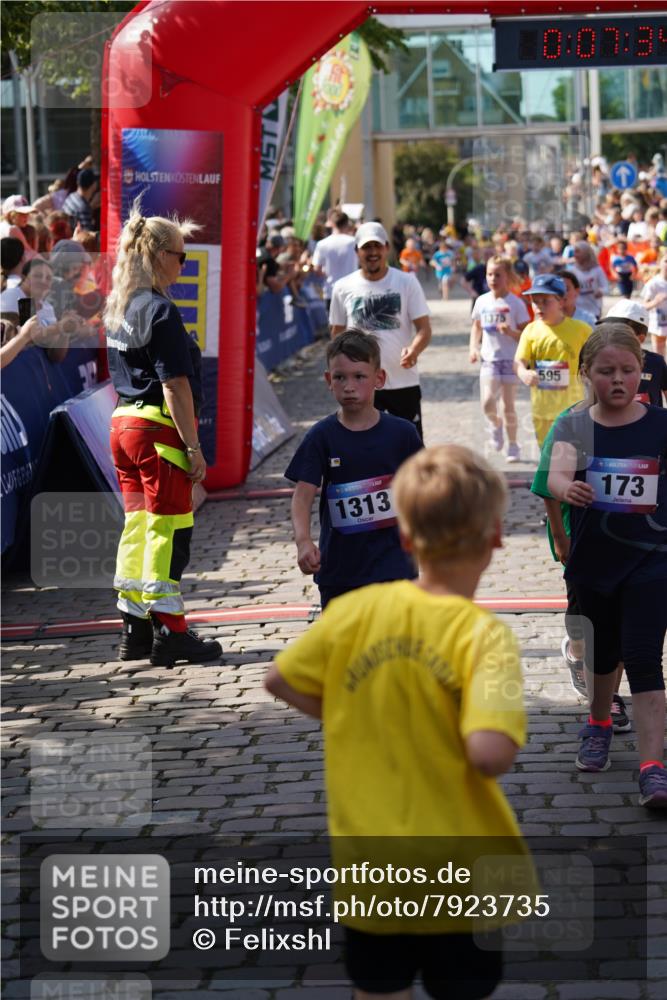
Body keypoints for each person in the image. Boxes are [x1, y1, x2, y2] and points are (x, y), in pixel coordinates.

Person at [265, 444, 533, 999]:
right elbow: (488, 753)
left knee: (379, 988)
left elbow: (280, 680)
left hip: (370, 866)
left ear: (406, 539)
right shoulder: (484, 636)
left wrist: (346, 711)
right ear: (496, 539)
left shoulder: (356, 611)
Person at [546, 325, 667, 807]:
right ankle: (598, 724)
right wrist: (565, 488)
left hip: (653, 560)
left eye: (628, 370)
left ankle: (653, 766)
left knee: (642, 655)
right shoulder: (573, 424)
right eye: (606, 371)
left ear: (642, 372)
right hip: (594, 561)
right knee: (601, 654)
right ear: (585, 374)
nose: (618, 380)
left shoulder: (661, 424)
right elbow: (556, 472)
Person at [103, 202, 222, 667]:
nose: (183, 264)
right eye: (180, 256)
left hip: (123, 425)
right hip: (156, 430)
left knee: (137, 528)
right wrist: (193, 447)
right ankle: (171, 632)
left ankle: (133, 628)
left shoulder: (119, 306)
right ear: (157, 255)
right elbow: (175, 384)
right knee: (170, 530)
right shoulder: (160, 311)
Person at [285, 329, 422, 610]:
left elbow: (427, 490)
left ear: (379, 379)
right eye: (340, 377)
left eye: (359, 376)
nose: (349, 386)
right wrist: (303, 541)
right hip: (340, 571)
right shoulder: (321, 436)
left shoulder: (403, 434)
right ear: (328, 381)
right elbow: (302, 495)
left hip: (395, 568)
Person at [330, 222, 432, 441]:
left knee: (410, 449)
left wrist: (414, 350)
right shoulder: (342, 287)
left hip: (402, 381)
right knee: (362, 446)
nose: (373, 252)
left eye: (377, 246)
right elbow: (337, 335)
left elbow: (424, 329)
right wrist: (339, 373)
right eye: (367, 247)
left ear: (387, 248)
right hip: (359, 384)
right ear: (357, 251)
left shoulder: (406, 282)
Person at [515, 273, 591, 448]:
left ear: (561, 301)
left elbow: (597, 360)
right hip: (542, 412)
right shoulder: (530, 331)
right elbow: (518, 362)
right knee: (547, 458)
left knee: (574, 458)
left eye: (545, 301)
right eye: (535, 301)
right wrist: (523, 372)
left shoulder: (581, 330)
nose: (539, 306)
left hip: (573, 409)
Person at [469, 255, 529, 462]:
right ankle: (496, 425)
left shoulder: (516, 303)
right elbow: (476, 327)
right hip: (490, 360)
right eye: (489, 274)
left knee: (508, 406)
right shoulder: (482, 301)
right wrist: (473, 348)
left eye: (498, 275)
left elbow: (526, 334)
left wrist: (511, 332)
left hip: (511, 361)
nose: (493, 278)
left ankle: (513, 445)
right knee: (487, 401)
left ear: (508, 277)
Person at [606, 299, 667, 407]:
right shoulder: (602, 364)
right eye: (608, 330)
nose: (612, 336)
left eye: (620, 332)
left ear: (641, 338)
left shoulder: (656, 362)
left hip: (652, 423)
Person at [311, 210, 357, 308]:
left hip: (331, 291)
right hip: (352, 291)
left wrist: (327, 272)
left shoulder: (322, 244)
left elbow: (317, 269)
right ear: (346, 223)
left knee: (334, 323)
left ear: (332, 223)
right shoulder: (354, 242)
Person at [566, 241, 608, 320]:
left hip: (594, 310)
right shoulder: (572, 271)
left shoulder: (597, 269)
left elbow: (605, 287)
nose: (575, 255)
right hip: (577, 311)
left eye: (578, 252)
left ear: (586, 253)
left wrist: (600, 291)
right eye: (574, 252)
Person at [641, 250, 667, 357]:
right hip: (658, 326)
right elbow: (643, 306)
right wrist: (656, 301)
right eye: (666, 261)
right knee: (659, 357)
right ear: (659, 263)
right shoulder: (653, 283)